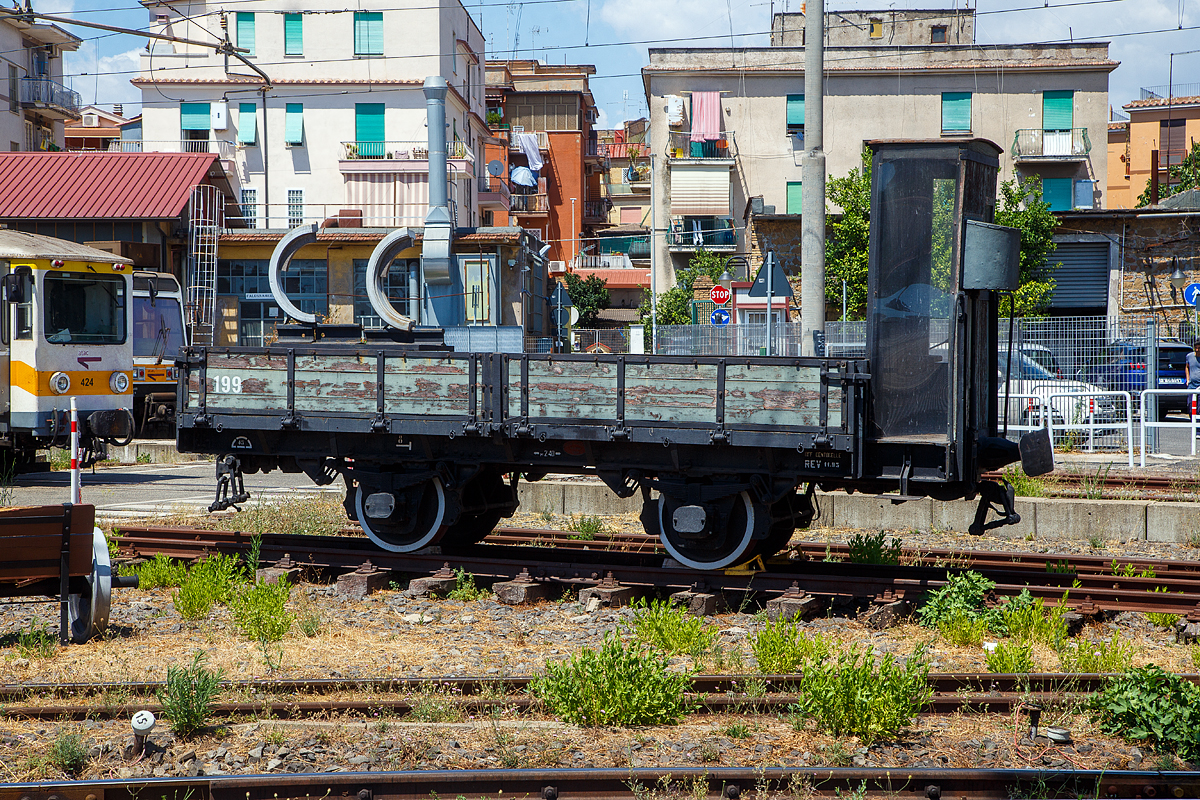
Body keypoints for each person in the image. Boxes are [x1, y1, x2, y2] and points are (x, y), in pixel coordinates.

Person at [1187, 340, 1200, 429]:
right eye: (1196, 348)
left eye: (1199, 348)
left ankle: (1198, 429)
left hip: (1199, 386)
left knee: (1199, 409)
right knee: (1190, 407)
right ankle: (1194, 426)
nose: (1197, 350)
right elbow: (1187, 367)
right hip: (1192, 386)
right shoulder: (1189, 356)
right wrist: (1188, 379)